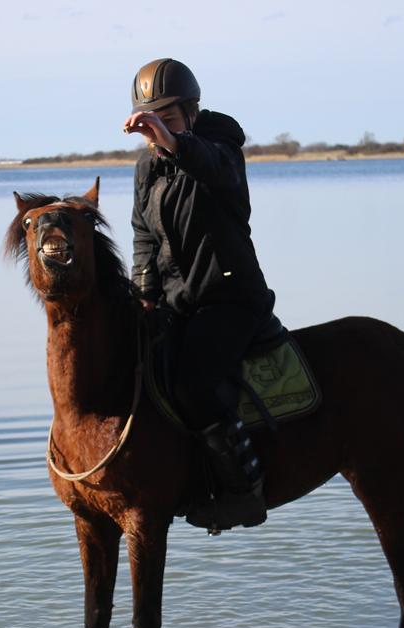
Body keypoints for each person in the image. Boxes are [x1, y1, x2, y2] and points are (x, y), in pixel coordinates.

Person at [122, 58, 275, 532]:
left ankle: (242, 493)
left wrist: (173, 143)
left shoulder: (220, 145)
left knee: (191, 381)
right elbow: (143, 235)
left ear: (191, 113)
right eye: (153, 121)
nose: (158, 131)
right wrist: (145, 296)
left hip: (230, 298)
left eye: (168, 118)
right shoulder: (147, 164)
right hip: (175, 301)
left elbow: (216, 170)